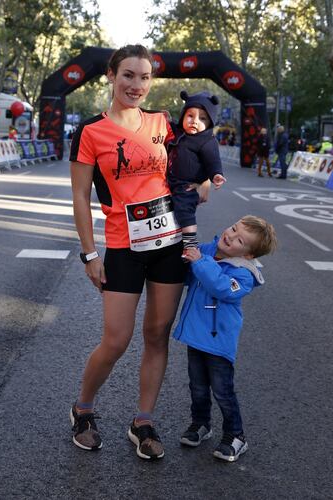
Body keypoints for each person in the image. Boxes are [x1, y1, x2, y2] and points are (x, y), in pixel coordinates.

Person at [69, 44, 210, 460]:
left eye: (145, 77)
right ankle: (83, 409)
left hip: (168, 245)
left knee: (156, 335)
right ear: (111, 76)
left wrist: (199, 188)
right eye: (128, 75)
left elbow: (188, 170)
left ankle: (143, 420)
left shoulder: (162, 124)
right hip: (123, 245)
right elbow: (80, 197)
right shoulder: (92, 132)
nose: (137, 85)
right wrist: (90, 254)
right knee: (116, 339)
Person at [173, 215, 277, 462]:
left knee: (222, 391)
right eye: (232, 228)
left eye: (239, 239)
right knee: (197, 386)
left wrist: (199, 262)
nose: (229, 236)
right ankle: (201, 424)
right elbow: (190, 271)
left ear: (249, 255)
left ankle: (236, 435)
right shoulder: (209, 250)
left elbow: (220, 286)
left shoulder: (244, 274)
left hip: (219, 343)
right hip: (197, 337)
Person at [167, 91, 226, 256]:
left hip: (188, 186)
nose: (195, 121)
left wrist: (216, 175)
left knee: (185, 212)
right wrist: (163, 117)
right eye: (190, 116)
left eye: (202, 118)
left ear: (210, 123)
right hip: (168, 180)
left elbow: (213, 161)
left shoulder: (207, 141)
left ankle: (190, 245)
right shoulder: (178, 132)